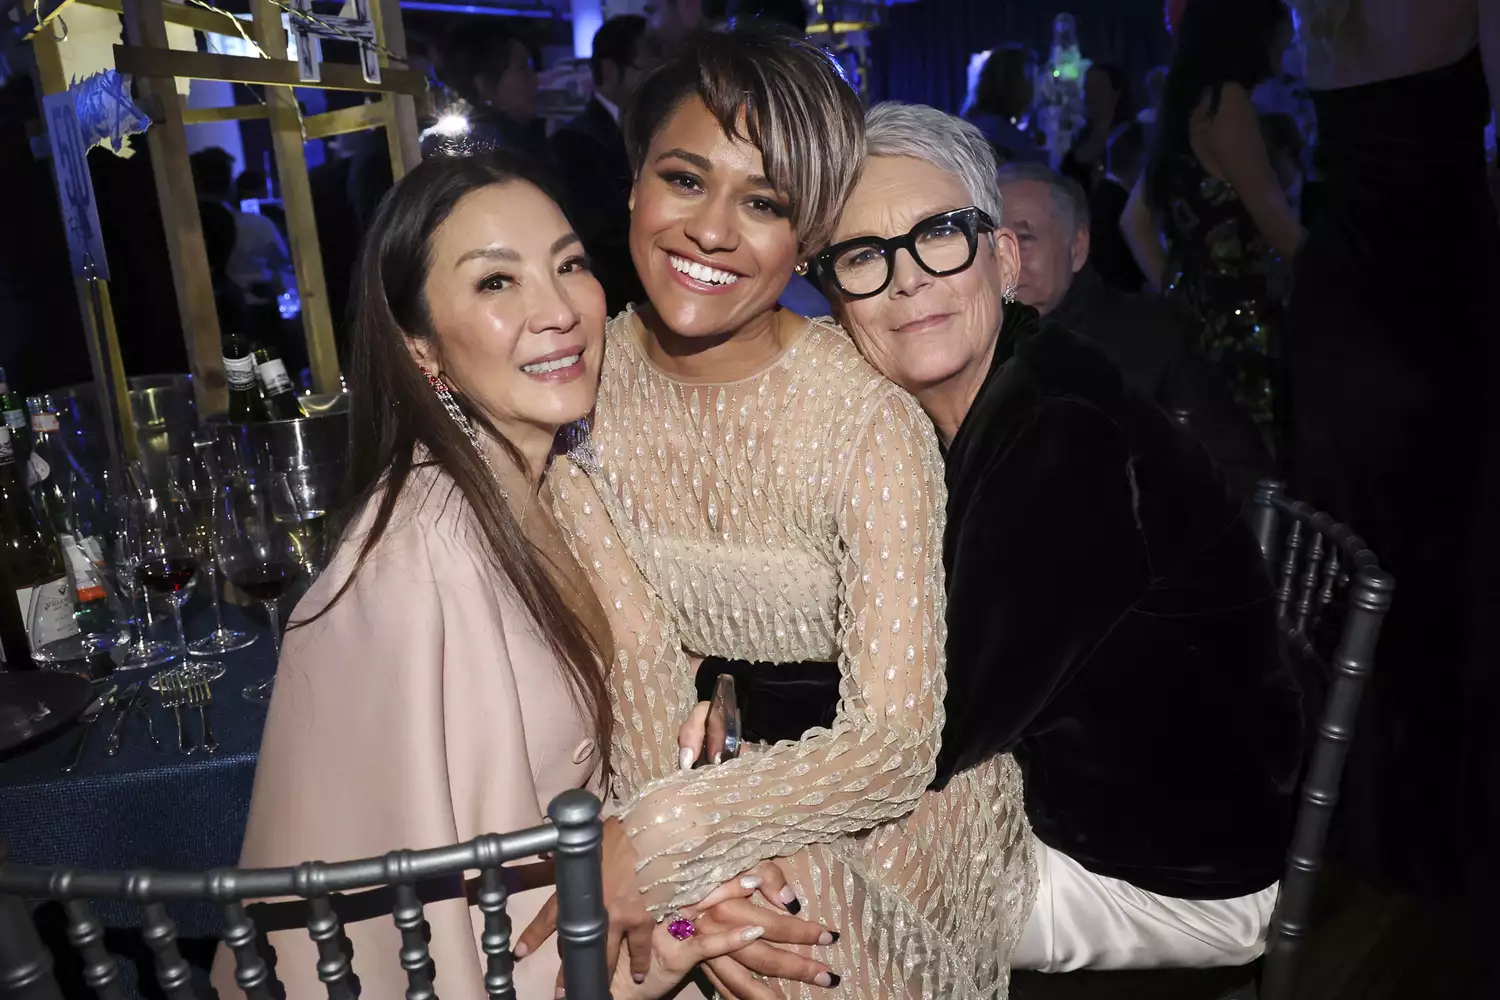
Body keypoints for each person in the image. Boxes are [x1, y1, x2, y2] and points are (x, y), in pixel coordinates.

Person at [210, 153, 833, 999]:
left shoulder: (546, 488)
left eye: (569, 265)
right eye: (496, 284)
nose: (558, 311)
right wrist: (680, 929)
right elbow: (446, 952)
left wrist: (686, 885)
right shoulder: (420, 568)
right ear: (419, 344)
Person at [530, 28, 1034, 1000]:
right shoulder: (583, 388)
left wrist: (666, 837)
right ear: (635, 183)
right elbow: (640, 661)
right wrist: (693, 879)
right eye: (685, 179)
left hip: (901, 813)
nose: (712, 229)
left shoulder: (864, 418)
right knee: (676, 931)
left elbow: (891, 751)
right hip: (722, 777)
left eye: (763, 202)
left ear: (803, 238)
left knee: (765, 914)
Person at [810, 102, 1303, 972]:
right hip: (1060, 797)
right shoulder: (952, 413)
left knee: (804, 889)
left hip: (1168, 872)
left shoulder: (1062, 429)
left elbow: (923, 730)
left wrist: (731, 722)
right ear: (835, 298)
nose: (906, 279)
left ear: (1001, 260)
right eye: (863, 256)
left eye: (939, 235)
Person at [1285, 0, 1500, 916]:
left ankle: (1359, 824)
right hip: (1434, 295)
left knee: (1355, 561)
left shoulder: (1319, 14)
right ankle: (1443, 836)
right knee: (1449, 573)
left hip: (1337, 308)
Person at [997, 161, 1273, 496]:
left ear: (1077, 248)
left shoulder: (1151, 340)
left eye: (1024, 238)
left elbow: (1238, 482)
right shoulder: (961, 345)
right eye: (991, 243)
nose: (1004, 260)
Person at [1121, 0, 1304, 448]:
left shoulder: (1186, 107)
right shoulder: (1226, 102)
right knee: (1260, 461)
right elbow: (1277, 225)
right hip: (1247, 320)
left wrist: (1177, 287)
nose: (1291, 43)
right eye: (1283, 34)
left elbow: (1133, 221)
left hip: (1202, 319)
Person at [553, 14, 650, 314]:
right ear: (610, 69)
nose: (654, 81)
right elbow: (597, 234)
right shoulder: (575, 140)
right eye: (644, 70)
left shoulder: (652, 128)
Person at [437, 20, 547, 161]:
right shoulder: (494, 156)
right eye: (522, 69)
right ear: (484, 86)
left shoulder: (524, 139)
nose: (535, 81)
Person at [965, 45, 1047, 165]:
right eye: (1028, 79)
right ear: (1010, 83)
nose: (1034, 89)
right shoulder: (996, 135)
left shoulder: (976, 124)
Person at [1059, 62, 1131, 194]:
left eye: (1097, 88)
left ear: (1116, 95)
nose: (1089, 95)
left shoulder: (1127, 143)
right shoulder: (1078, 141)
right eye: (1087, 88)